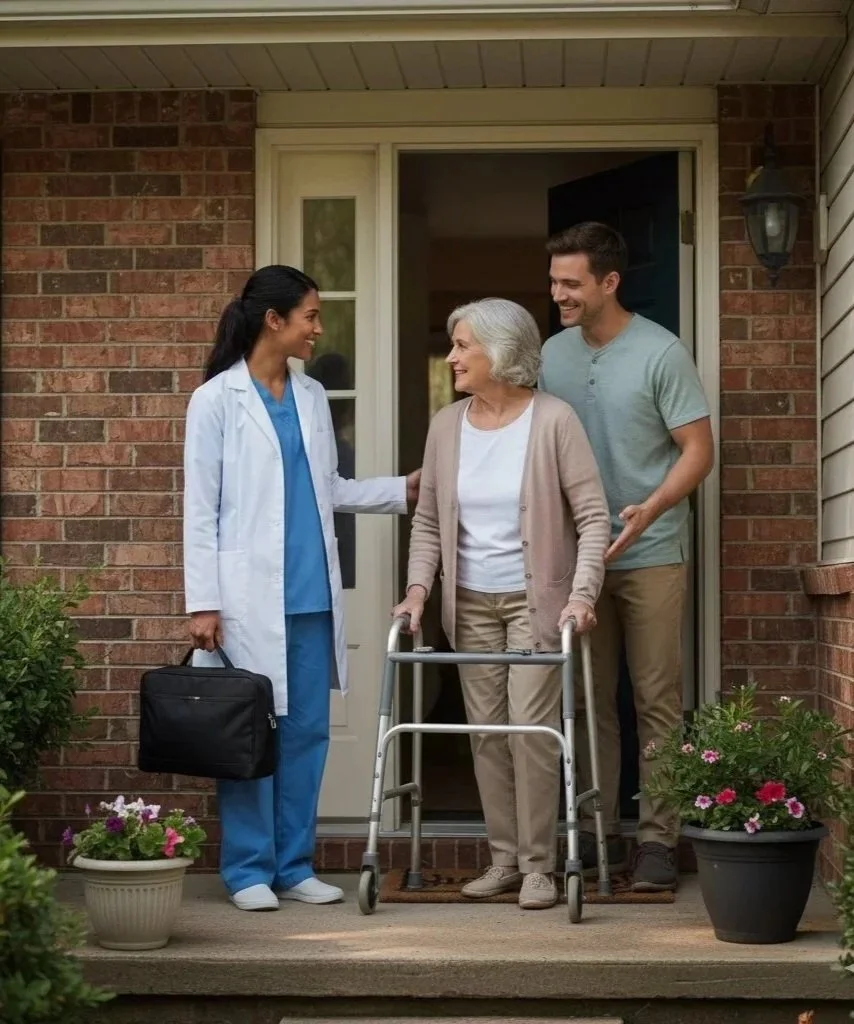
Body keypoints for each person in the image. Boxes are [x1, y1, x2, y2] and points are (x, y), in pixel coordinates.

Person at [183, 265, 420, 912]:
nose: (319, 328)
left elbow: (332, 492)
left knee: (307, 733)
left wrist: (404, 490)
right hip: (243, 602)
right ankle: (247, 870)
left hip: (314, 597)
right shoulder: (216, 401)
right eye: (311, 316)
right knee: (250, 734)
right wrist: (202, 601)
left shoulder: (311, 395)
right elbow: (199, 508)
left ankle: (294, 865)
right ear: (273, 320)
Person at [393, 297, 610, 911]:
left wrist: (581, 594)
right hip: (470, 603)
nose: (453, 356)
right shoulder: (446, 425)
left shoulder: (554, 421)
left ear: (502, 353)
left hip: (533, 602)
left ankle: (541, 866)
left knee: (531, 733)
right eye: (454, 344)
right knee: (487, 735)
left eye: (464, 346)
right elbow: (429, 522)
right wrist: (418, 591)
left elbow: (593, 518)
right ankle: (504, 860)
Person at [540, 222, 714, 893]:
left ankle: (657, 842)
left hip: (653, 553)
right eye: (555, 281)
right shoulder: (551, 355)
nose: (559, 293)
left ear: (609, 282)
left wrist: (652, 508)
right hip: (580, 563)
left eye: (571, 283)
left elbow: (698, 450)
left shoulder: (660, 352)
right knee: (586, 701)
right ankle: (593, 832)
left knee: (656, 699)